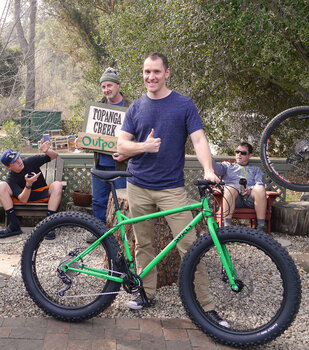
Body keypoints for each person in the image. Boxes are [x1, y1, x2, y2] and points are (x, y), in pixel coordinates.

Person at [117, 52, 228, 327]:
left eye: (156, 72)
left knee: (191, 248)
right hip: (137, 186)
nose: (150, 77)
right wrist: (144, 146)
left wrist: (208, 169)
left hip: (171, 189)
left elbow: (199, 139)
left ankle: (206, 307)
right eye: (146, 72)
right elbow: (120, 146)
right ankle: (147, 293)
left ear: (167, 72)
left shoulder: (183, 105)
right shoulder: (136, 108)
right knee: (143, 244)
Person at [90, 68, 130, 227]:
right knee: (98, 201)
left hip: (121, 166)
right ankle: (98, 232)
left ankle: (120, 233)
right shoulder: (97, 107)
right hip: (100, 165)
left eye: (109, 85)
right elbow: (90, 133)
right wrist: (84, 141)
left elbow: (138, 137)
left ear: (118, 85)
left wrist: (127, 154)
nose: (106, 89)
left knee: (121, 202)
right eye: (103, 86)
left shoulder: (131, 107)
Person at [0, 140, 63, 239]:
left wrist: (47, 151)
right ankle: (14, 226)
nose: (19, 162)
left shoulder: (29, 161)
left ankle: (48, 226)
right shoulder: (11, 179)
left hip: (42, 194)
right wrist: (28, 184)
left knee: (57, 185)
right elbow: (23, 199)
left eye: (18, 157)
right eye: (14, 162)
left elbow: (54, 156)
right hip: (25, 197)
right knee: (1, 186)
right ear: (8, 167)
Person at [212, 142, 267, 231]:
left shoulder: (256, 170)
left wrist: (249, 190)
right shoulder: (227, 166)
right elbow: (216, 168)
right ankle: (227, 227)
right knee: (230, 188)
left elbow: (260, 184)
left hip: (250, 200)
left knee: (260, 188)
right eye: (237, 152)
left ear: (250, 155)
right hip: (232, 199)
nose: (239, 154)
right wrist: (207, 157)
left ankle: (261, 227)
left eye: (243, 153)